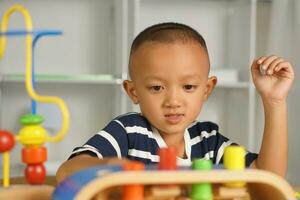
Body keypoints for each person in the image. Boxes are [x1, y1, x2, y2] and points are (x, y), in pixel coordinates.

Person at [56, 22, 294, 183]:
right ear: (133, 91)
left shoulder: (208, 141)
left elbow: (268, 178)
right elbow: (66, 172)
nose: (173, 101)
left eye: (188, 87)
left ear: (206, 89)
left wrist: (274, 100)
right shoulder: (127, 132)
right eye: (156, 88)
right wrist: (112, 166)